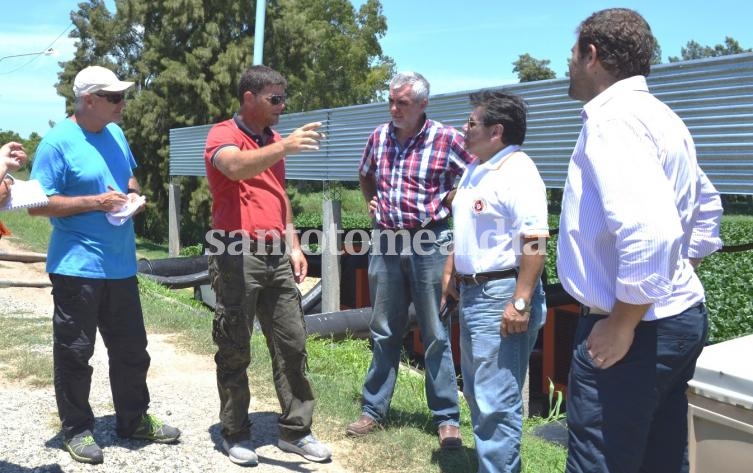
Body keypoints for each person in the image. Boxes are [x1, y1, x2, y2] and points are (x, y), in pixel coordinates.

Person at [558, 8, 723, 473]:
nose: (567, 65)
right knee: (661, 460)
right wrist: (671, 275)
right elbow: (707, 211)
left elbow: (651, 232)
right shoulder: (662, 117)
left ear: (592, 55)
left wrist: (625, 320)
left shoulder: (613, 120)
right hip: (676, 319)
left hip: (633, 330)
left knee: (602, 463)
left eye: (571, 54)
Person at [29, 65, 181, 465]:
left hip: (121, 266)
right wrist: (95, 203)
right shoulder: (56, 143)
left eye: (122, 96)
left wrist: (134, 197)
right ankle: (76, 430)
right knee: (76, 352)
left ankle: (133, 420)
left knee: (133, 350)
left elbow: (127, 179)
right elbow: (37, 205)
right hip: (76, 267)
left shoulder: (114, 132)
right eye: (114, 97)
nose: (122, 103)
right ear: (89, 100)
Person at [203, 64, 331, 466]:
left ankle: (296, 431)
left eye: (283, 98)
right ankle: (236, 432)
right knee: (235, 345)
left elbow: (279, 195)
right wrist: (285, 147)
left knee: (292, 344)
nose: (282, 105)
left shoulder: (274, 140)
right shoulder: (223, 134)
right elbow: (235, 167)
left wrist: (293, 244)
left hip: (276, 252)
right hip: (235, 251)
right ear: (249, 98)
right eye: (275, 98)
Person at [347, 71, 475, 448]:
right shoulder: (379, 136)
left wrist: (453, 199)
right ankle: (373, 410)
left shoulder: (446, 138)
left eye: (402, 102)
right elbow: (365, 174)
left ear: (422, 104)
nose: (393, 108)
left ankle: (447, 418)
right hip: (386, 239)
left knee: (435, 330)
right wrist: (370, 201)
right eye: (391, 100)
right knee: (384, 328)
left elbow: (476, 176)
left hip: (430, 241)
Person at [441, 91, 548, 472]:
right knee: (476, 391)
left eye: (471, 123)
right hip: (472, 291)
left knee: (496, 401)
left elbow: (534, 239)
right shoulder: (476, 168)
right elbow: (468, 226)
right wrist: (452, 269)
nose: (464, 129)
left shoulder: (518, 171)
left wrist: (520, 301)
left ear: (496, 131)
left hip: (500, 293)